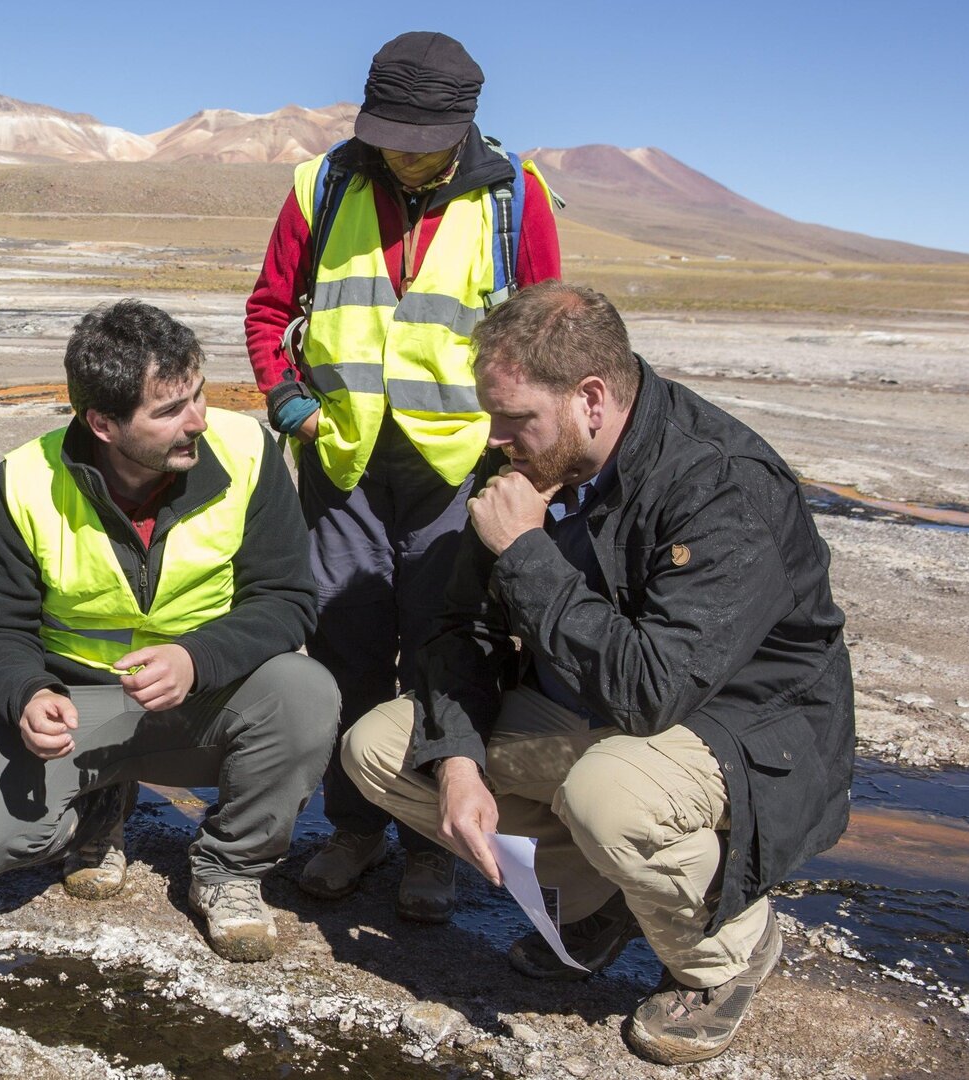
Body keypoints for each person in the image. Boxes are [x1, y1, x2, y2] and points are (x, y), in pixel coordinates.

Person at [340, 282, 855, 1064]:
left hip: (744, 729)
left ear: (590, 398)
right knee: (383, 748)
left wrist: (525, 552)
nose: (494, 437)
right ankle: (609, 898)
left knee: (608, 796)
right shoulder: (530, 458)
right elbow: (461, 632)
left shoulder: (722, 485)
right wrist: (458, 764)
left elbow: (652, 691)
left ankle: (726, 950)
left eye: (514, 418)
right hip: (596, 708)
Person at [244, 30, 561, 917]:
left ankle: (431, 841)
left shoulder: (514, 196)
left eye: (421, 142)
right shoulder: (322, 184)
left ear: (462, 127)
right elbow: (269, 311)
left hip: (458, 470)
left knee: (442, 648)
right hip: (341, 463)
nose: (403, 154)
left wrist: (521, 457)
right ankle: (353, 827)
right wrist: (292, 406)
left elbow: (547, 333)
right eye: (389, 136)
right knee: (344, 645)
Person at [0, 300, 339, 962]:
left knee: (305, 691)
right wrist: (28, 694)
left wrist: (196, 658)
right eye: (170, 409)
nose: (198, 419)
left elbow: (287, 599)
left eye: (198, 394)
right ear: (103, 423)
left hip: (202, 701)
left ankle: (230, 868)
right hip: (79, 714)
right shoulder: (26, 481)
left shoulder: (247, 451)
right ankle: (101, 805)